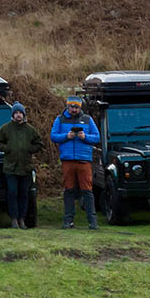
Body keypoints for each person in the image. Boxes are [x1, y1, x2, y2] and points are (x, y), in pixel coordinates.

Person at [50, 95, 99, 229]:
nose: (73, 109)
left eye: (76, 107)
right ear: (67, 106)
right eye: (71, 107)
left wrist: (85, 137)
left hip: (84, 160)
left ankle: (92, 222)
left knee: (87, 191)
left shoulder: (88, 119)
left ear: (80, 108)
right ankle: (68, 221)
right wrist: (67, 136)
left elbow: (97, 137)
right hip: (67, 160)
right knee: (69, 190)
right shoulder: (60, 119)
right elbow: (53, 136)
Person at [0, 101, 43, 229]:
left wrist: (29, 149)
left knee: (24, 194)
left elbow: (39, 143)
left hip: (25, 168)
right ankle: (14, 219)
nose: (18, 115)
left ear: (24, 114)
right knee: (12, 193)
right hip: (10, 168)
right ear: (13, 115)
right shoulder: (5, 128)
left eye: (20, 113)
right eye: (16, 113)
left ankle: (22, 219)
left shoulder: (30, 130)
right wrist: (7, 148)